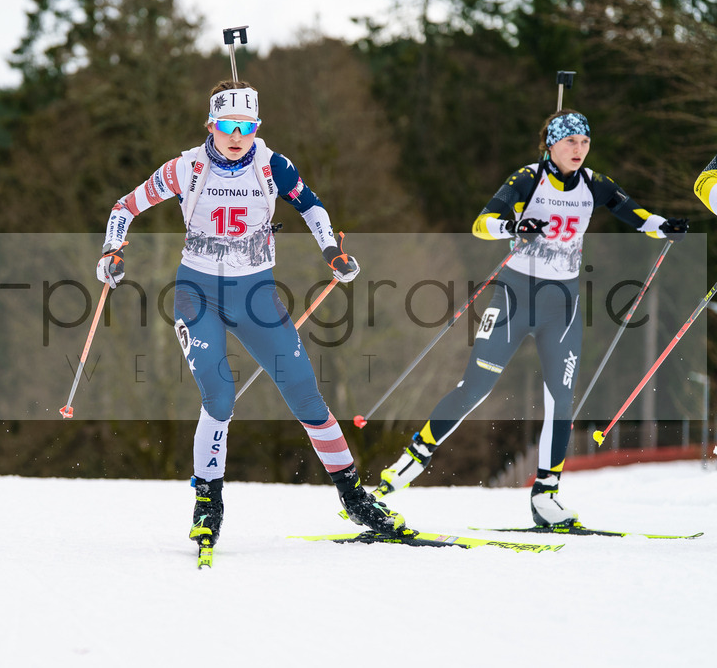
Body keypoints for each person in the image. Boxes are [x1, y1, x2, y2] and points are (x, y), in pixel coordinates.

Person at [95, 80, 406, 551]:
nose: (237, 136)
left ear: (256, 128)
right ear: (211, 126)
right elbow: (124, 206)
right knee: (219, 396)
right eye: (227, 126)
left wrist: (332, 252)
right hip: (197, 295)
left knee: (305, 394)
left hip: (256, 295)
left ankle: (353, 496)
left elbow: (313, 206)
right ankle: (207, 503)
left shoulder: (271, 165)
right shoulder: (186, 168)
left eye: (246, 126)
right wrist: (111, 252)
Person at [373, 109, 689, 527]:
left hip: (563, 304)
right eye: (570, 142)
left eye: (585, 142)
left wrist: (665, 226)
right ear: (551, 145)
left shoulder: (595, 184)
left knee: (562, 399)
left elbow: (633, 214)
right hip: (514, 297)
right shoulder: (527, 178)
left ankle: (546, 495)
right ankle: (403, 471)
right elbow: (481, 225)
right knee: (475, 389)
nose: (579, 150)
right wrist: (514, 225)